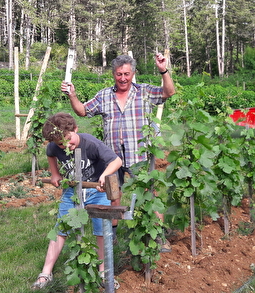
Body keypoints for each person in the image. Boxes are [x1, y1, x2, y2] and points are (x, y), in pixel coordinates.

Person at [61, 53, 175, 252]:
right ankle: (111, 235)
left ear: (133, 74)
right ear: (113, 74)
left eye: (127, 74)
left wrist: (163, 70)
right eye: (119, 74)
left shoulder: (144, 92)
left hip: (138, 156)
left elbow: (168, 92)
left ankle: (158, 236)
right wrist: (72, 95)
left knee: (149, 193)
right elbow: (82, 111)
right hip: (111, 158)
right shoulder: (104, 95)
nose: (123, 78)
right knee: (113, 194)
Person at [32, 112, 122, 290]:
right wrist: (55, 173)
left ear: (75, 129)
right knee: (61, 227)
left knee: (101, 230)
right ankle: (46, 273)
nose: (66, 146)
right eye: (61, 144)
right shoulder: (54, 146)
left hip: (97, 190)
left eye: (69, 140)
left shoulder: (90, 143)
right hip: (72, 190)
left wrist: (104, 176)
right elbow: (50, 153)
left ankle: (103, 272)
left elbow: (116, 161)